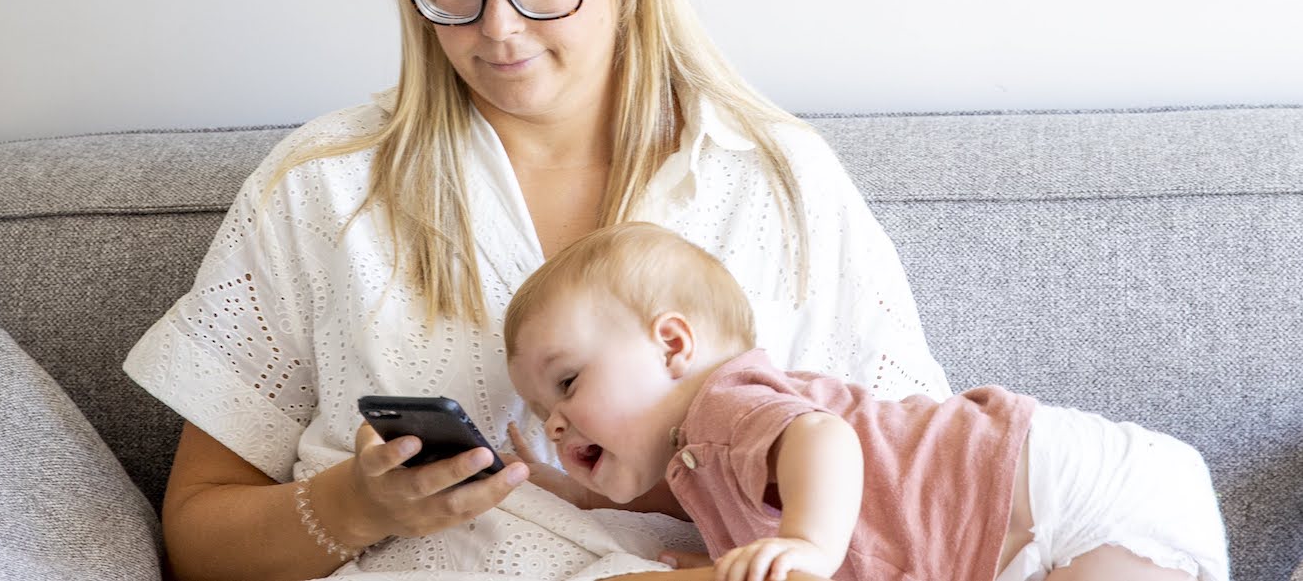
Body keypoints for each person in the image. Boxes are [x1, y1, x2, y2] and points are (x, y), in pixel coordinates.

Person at [123, 0, 952, 581]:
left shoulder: (775, 182)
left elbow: (924, 501)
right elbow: (194, 540)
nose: (498, 28)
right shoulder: (325, 187)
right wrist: (356, 505)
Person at [504, 221, 1230, 581]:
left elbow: (825, 438)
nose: (556, 418)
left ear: (671, 345)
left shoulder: (725, 405)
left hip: (1076, 488)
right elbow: (658, 500)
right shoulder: (700, 463)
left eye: (567, 382)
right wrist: (567, 487)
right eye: (544, 411)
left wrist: (806, 548)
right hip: (1033, 528)